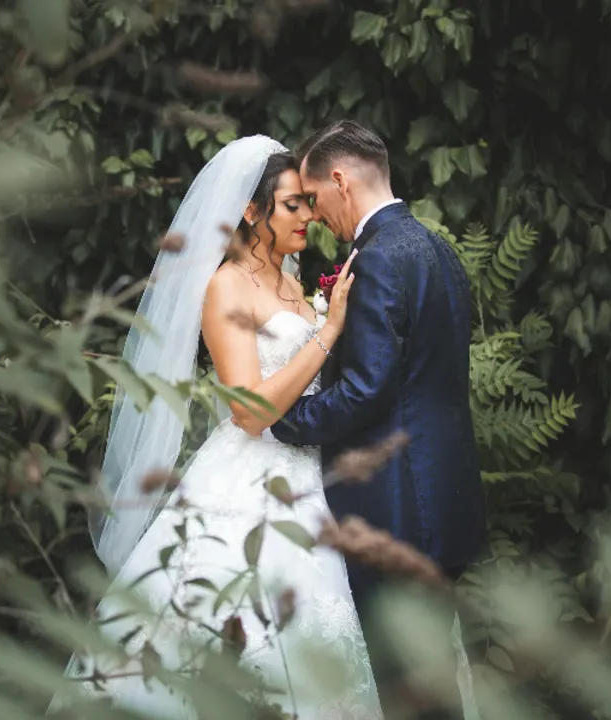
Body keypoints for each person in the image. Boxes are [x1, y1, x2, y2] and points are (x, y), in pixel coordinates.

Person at [49, 136, 382, 718]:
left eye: (308, 203)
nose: (307, 216)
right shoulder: (226, 285)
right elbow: (248, 411)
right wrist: (328, 332)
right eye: (292, 205)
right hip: (252, 477)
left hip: (312, 474)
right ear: (251, 212)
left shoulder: (293, 282)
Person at [269, 120, 487, 719]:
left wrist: (282, 418)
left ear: (340, 181)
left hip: (396, 511)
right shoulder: (436, 248)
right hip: (443, 503)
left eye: (314, 197)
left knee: (406, 694)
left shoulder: (378, 259)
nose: (315, 215)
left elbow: (365, 392)